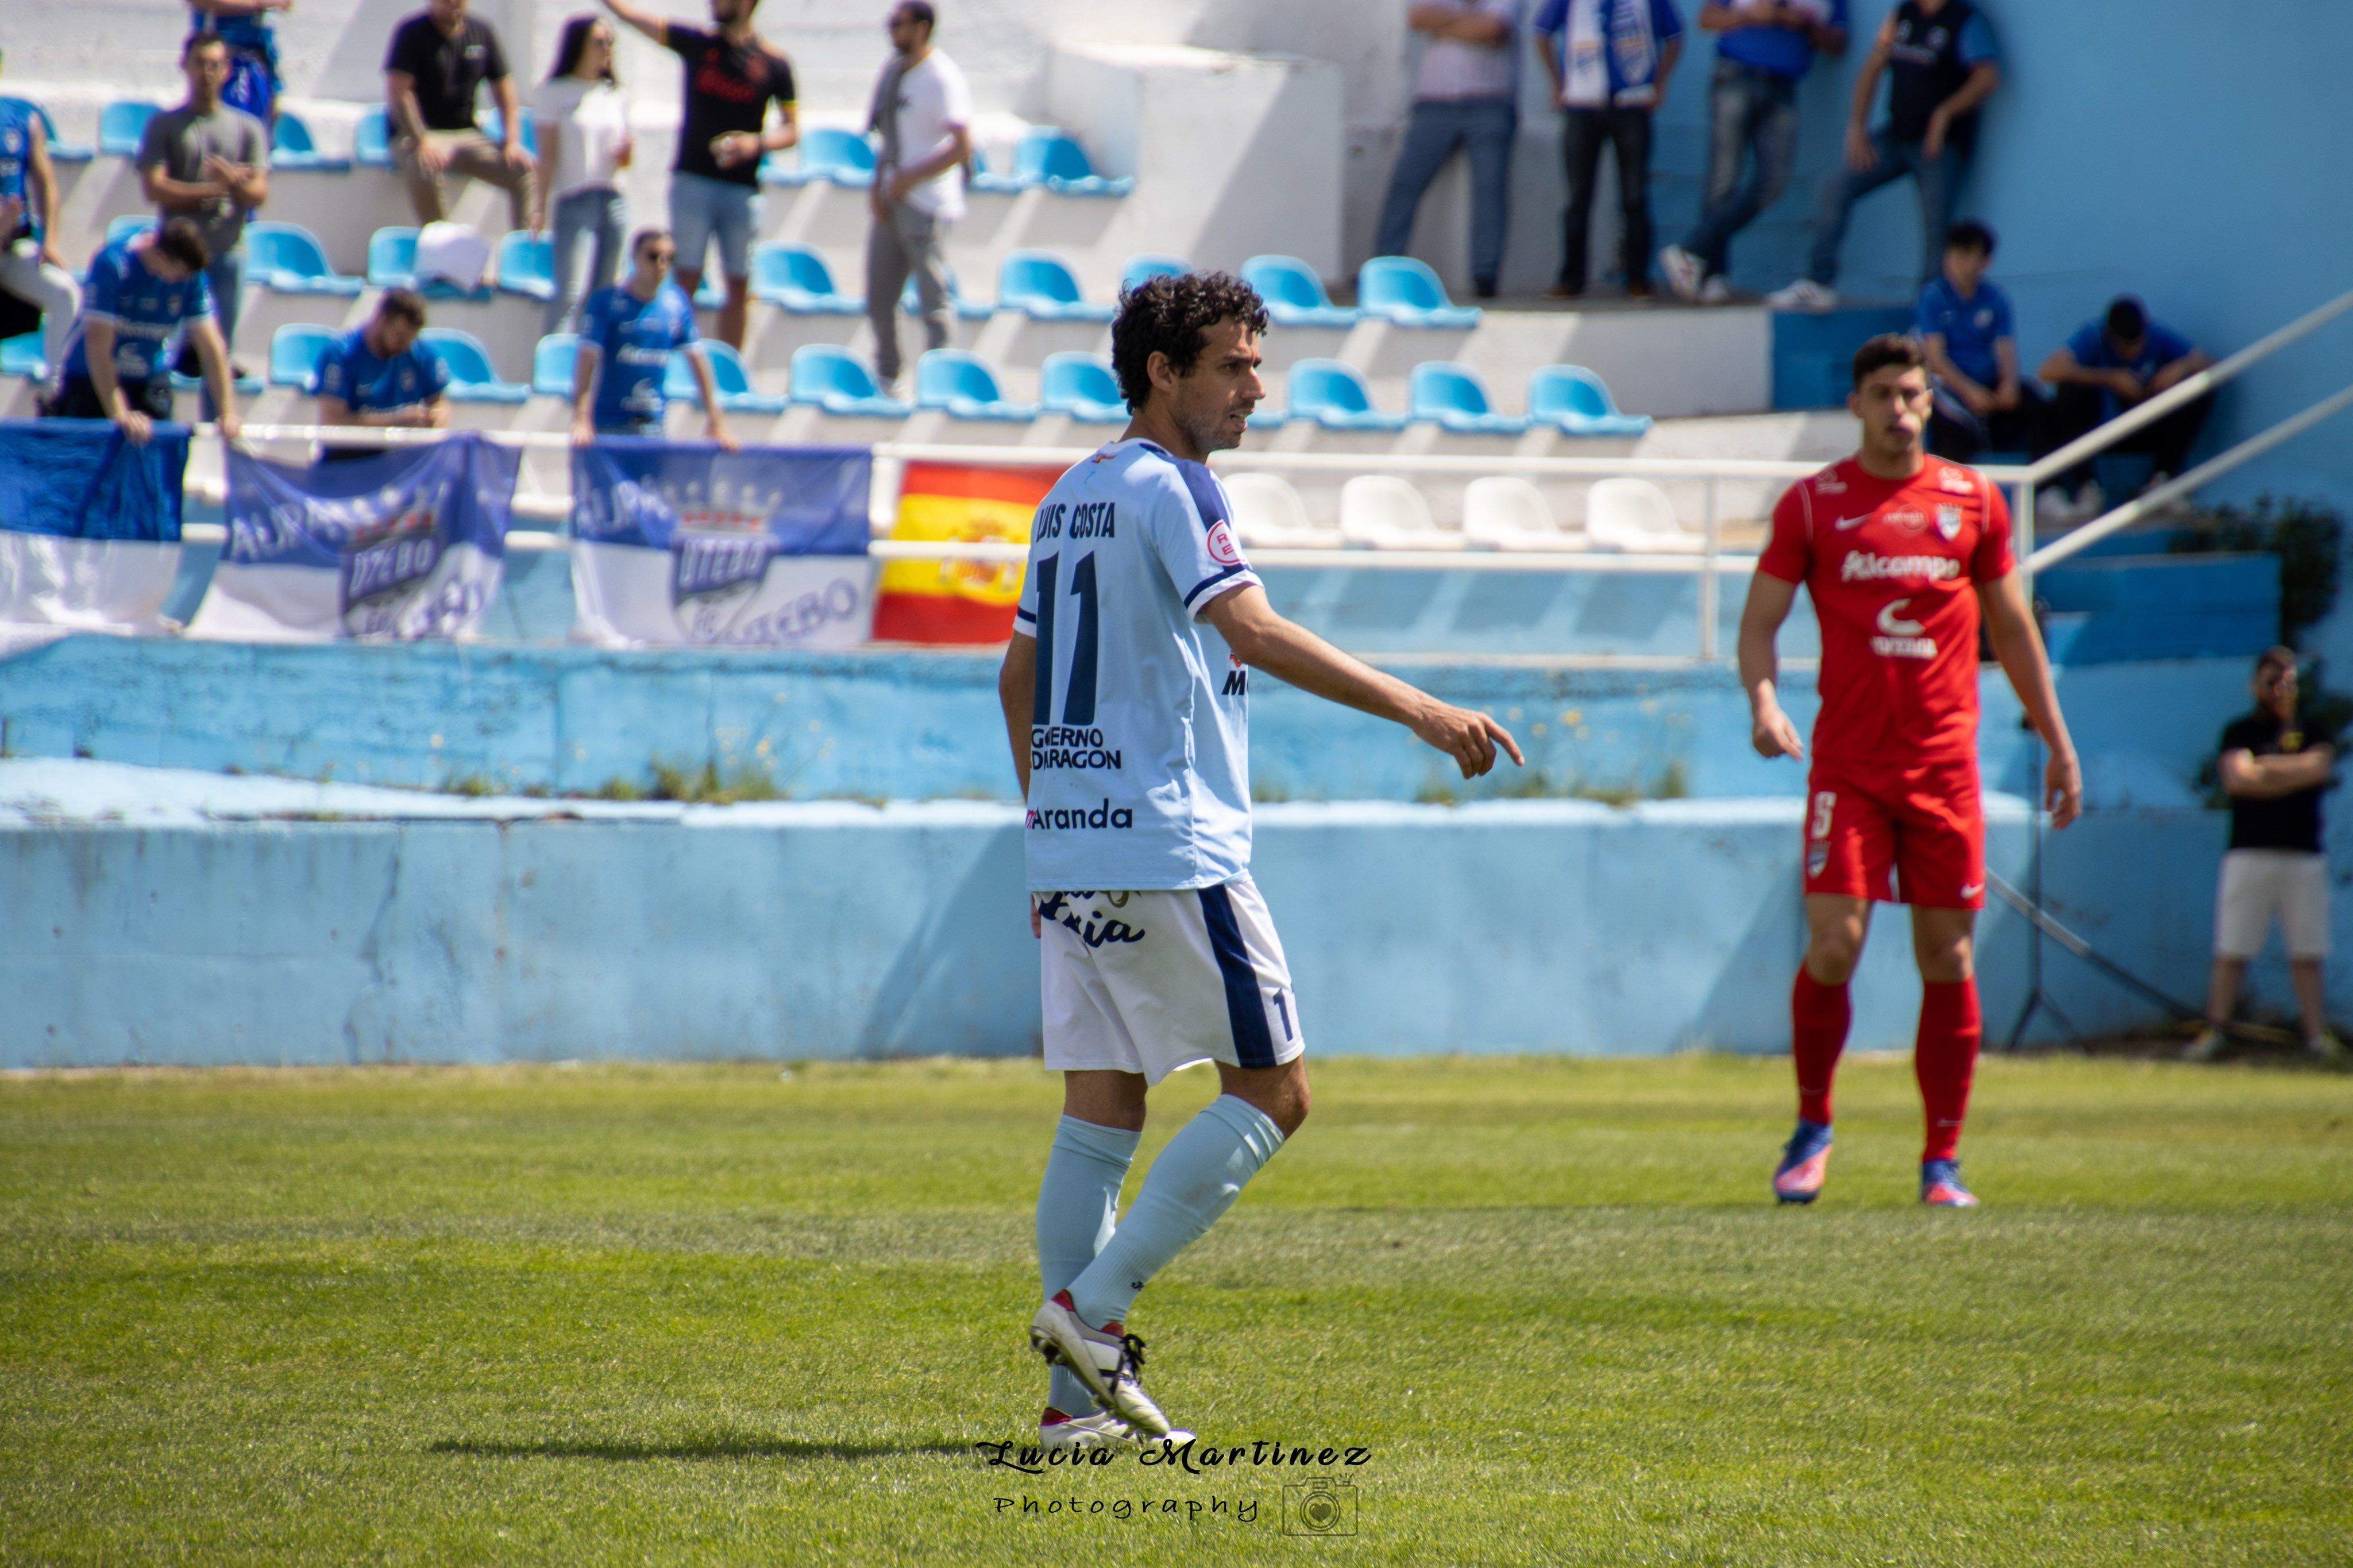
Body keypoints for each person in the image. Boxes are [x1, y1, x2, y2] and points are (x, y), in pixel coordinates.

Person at [1001, 271, 1523, 1446]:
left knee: (1103, 1104)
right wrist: (1419, 710)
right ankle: (1091, 1313)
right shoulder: (1175, 488)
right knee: (1275, 1091)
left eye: (1254, 361)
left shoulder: (1067, 493)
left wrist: (1050, 833)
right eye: (1231, 365)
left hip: (1077, 838)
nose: (1254, 386)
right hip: (1170, 839)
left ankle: (1067, 1414)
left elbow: (1016, 682)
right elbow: (1249, 629)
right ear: (1159, 373)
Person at [1738, 334, 2080, 1209]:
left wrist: (2056, 739)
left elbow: (2013, 629)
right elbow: (1760, 624)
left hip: (1944, 772)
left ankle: (1942, 1160)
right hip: (1848, 767)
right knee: (1834, 944)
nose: (1900, 408)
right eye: (1884, 392)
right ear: (1855, 402)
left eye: (1913, 394)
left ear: (1932, 404)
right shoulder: (1814, 505)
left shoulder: (1974, 501)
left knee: (1949, 955)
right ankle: (1813, 1127)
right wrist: (1765, 704)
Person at [1768, 0, 1997, 312]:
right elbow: (1873, 67)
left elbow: (1987, 77)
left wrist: (1945, 114)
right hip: (1896, 136)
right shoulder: (1903, 15)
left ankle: (1927, 320)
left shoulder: (1967, 20)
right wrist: (1857, 126)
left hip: (1939, 147)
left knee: (1936, 233)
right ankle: (1819, 283)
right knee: (1835, 187)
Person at [600, 0, 800, 353]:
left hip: (742, 190)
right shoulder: (698, 44)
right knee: (684, 277)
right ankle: (673, 360)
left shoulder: (775, 62)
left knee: (739, 283)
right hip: (692, 181)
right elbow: (631, 16)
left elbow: (793, 130)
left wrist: (756, 144)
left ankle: (730, 370)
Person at [2187, 650, 2344, 1063]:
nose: (2278, 690)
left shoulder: (2312, 728)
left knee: (2307, 951)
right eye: (2270, 681)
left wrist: (2268, 770)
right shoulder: (2240, 731)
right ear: (2255, 685)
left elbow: (2319, 768)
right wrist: (2292, 775)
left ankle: (2314, 1036)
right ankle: (2216, 1030)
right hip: (2250, 852)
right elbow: (2239, 779)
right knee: (2233, 947)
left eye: (2286, 681)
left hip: (2303, 853)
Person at [1658, 0, 1847, 303]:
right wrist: (1749, 15)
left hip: (1784, 87)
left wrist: (1800, 24)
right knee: (1724, 179)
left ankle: (1691, 251)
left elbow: (1839, 42)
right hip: (1735, 75)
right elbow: (1707, 19)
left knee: (1773, 183)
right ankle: (1711, 274)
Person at [140, 32, 269, 400]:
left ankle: (216, 431)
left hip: (226, 254)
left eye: (215, 64)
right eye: (200, 63)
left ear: (227, 70)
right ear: (185, 66)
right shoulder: (165, 126)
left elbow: (259, 192)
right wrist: (215, 190)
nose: (207, 73)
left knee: (218, 355)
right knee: (158, 350)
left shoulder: (248, 129)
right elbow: (154, 188)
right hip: (174, 258)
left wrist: (234, 186)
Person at [1370, 1, 1526, 302]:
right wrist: (1469, 23)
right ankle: (1383, 267)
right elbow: (1418, 18)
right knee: (1405, 183)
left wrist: (1443, 25)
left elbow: (1494, 28)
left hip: (1490, 102)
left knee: (1489, 192)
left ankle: (1485, 275)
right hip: (1434, 102)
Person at [44, 217, 242, 444]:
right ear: (160, 256)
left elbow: (211, 346)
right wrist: (121, 415)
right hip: (91, 380)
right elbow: (98, 347)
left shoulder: (191, 276)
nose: (182, 281)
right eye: (179, 274)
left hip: (148, 379)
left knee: (157, 469)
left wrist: (227, 412)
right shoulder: (114, 264)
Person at [1534, 0, 1683, 299]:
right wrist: (1556, 83)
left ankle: (1638, 278)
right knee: (1578, 196)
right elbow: (1542, 31)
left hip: (1632, 104)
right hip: (1582, 105)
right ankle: (1571, 278)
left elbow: (1675, 36)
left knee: (1634, 196)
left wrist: (1660, 84)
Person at [863, 1, 970, 396]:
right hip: (893, 199)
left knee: (933, 299)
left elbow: (961, 147)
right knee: (879, 296)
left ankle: (941, 384)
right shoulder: (894, 72)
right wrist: (880, 184)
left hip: (928, 204)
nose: (893, 30)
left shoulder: (942, 77)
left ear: (922, 28)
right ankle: (890, 379)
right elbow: (887, 138)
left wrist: (910, 178)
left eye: (900, 24)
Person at [2034, 296, 2214, 518]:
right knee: (2068, 391)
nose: (2133, 353)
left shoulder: (2158, 336)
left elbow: (2207, 362)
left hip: (2143, 427)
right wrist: (2109, 378)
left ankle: (2162, 479)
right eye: (2125, 347)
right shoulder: (2094, 336)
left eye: (2138, 344)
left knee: (2200, 387)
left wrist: (2180, 367)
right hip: (2099, 428)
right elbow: (2048, 371)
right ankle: (2087, 486)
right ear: (2111, 337)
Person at [569, 226, 734, 445]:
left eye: (669, 258)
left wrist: (716, 419)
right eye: (653, 256)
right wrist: (582, 418)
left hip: (653, 426)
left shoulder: (676, 303)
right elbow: (587, 358)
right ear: (635, 257)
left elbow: (697, 359)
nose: (661, 265)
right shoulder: (608, 301)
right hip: (609, 425)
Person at [383, 0, 535, 231]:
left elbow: (505, 92)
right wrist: (422, 141)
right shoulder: (411, 32)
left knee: (522, 172)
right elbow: (399, 93)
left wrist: (512, 142)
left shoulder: (481, 31)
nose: (454, 3)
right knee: (424, 166)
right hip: (419, 134)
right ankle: (442, 246)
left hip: (466, 133)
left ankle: (525, 252)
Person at [532, 15, 634, 335]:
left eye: (610, 42)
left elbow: (626, 156)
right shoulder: (554, 93)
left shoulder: (617, 95)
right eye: (599, 42)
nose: (606, 49)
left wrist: (626, 155)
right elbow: (547, 155)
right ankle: (555, 366)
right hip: (574, 196)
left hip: (613, 196)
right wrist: (539, 204)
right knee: (568, 294)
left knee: (604, 293)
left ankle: (590, 369)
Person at [1918, 221, 2049, 463]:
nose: (1959, 263)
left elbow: (2006, 349)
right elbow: (1936, 358)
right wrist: (1968, 391)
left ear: (1985, 262)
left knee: (2038, 406)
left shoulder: (1996, 298)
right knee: (1952, 431)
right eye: (1955, 254)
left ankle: (2049, 491)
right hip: (1950, 388)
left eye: (1969, 255)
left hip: (1988, 386)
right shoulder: (1934, 297)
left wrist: (2009, 384)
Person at [0, 86, 82, 388]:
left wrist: (50, 242)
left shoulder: (21, 118)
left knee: (66, 293)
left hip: (13, 245)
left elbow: (46, 183)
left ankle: (54, 388)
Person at [314, 289, 451, 463]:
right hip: (347, 461)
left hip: (402, 460)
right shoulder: (340, 355)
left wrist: (434, 419)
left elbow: (440, 403)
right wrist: (397, 421)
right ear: (381, 320)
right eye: (400, 337)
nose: (405, 346)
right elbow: (333, 422)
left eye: (411, 338)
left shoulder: (422, 353)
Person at [184, 0, 292, 134]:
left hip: (259, 61)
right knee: (224, 131)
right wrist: (257, 4)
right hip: (221, 60)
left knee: (259, 131)